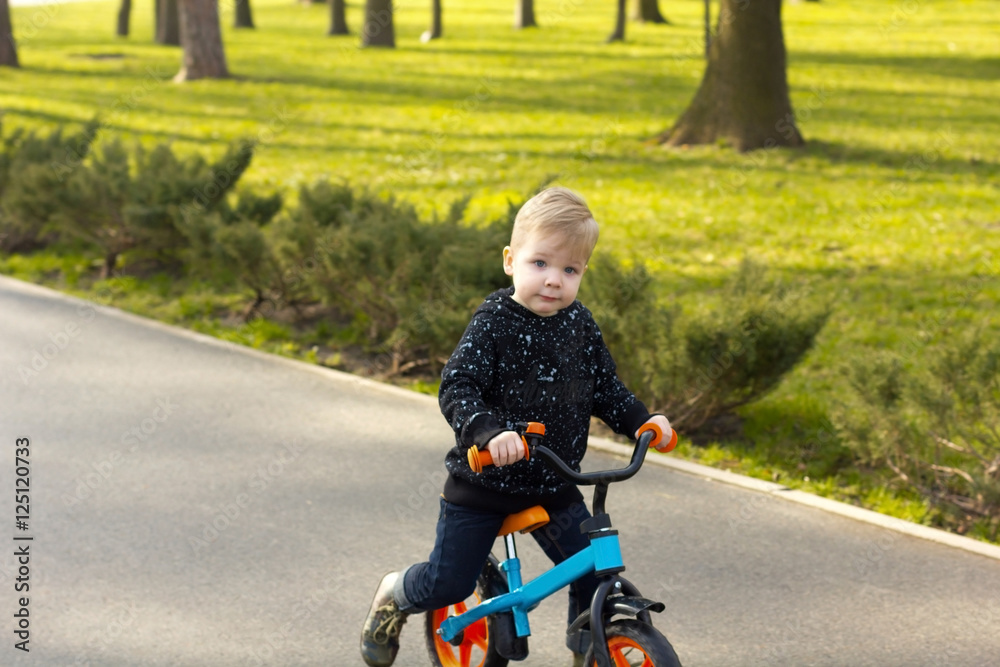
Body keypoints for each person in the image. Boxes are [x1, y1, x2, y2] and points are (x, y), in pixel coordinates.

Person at [360, 186, 672, 667]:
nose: (553, 281)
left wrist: (642, 420)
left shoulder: (580, 324)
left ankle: (592, 651)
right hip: (484, 483)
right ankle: (395, 594)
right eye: (540, 264)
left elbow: (605, 387)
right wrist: (488, 432)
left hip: (554, 482)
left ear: (583, 273)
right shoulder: (493, 324)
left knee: (592, 568)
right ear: (511, 261)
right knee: (451, 583)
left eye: (569, 270)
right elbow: (457, 386)